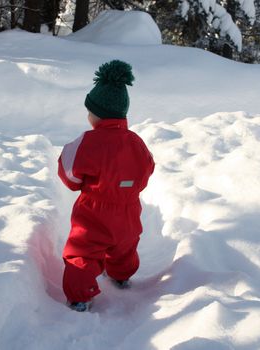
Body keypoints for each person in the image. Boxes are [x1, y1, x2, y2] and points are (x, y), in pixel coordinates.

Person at [58, 60, 155, 312]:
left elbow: (69, 174)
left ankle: (80, 297)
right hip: (129, 211)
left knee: (84, 251)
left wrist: (82, 185)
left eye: (90, 111)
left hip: (94, 212)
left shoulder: (87, 142)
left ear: (97, 115)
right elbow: (147, 170)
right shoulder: (136, 142)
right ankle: (122, 276)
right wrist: (128, 189)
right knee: (124, 246)